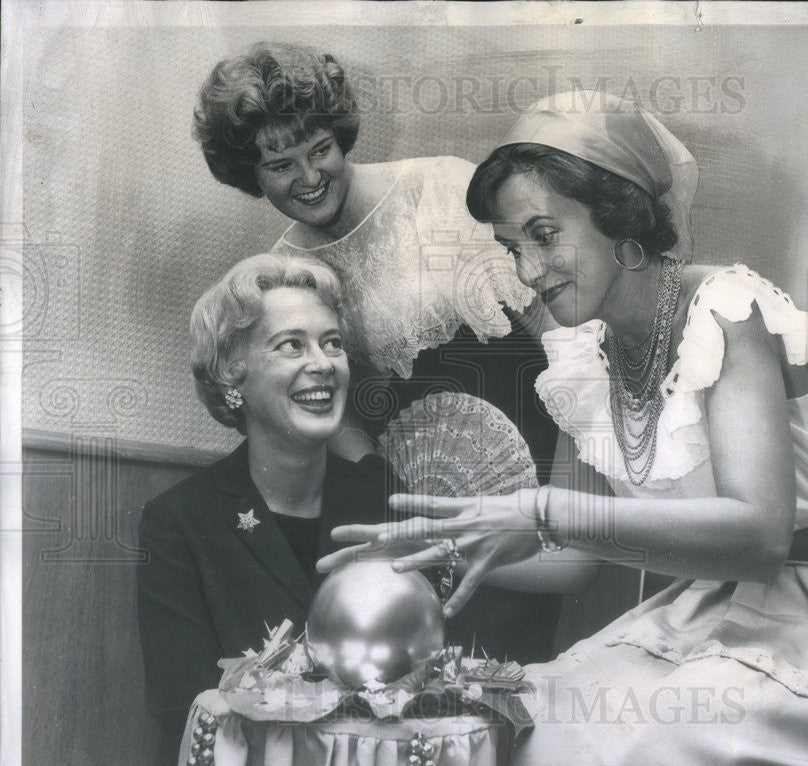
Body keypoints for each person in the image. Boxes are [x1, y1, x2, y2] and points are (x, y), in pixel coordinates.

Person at [319, 91, 808, 766]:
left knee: (647, 751)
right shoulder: (584, 361)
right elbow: (573, 562)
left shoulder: (725, 310)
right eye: (512, 249)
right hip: (716, 607)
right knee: (530, 718)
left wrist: (542, 510)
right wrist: (443, 548)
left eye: (545, 236)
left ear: (617, 213)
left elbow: (760, 537)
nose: (527, 272)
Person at [193, 42, 567, 664]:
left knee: (503, 669)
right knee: (414, 672)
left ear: (341, 138)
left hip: (531, 454)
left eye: (320, 150)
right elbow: (327, 400)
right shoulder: (290, 268)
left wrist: (587, 430)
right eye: (281, 165)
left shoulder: (441, 188)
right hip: (413, 485)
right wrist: (375, 479)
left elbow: (551, 315)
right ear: (250, 176)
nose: (309, 178)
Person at [136, 254, 395, 766]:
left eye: (333, 343)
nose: (322, 362)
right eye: (291, 345)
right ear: (234, 375)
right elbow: (184, 707)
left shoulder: (381, 497)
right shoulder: (180, 520)